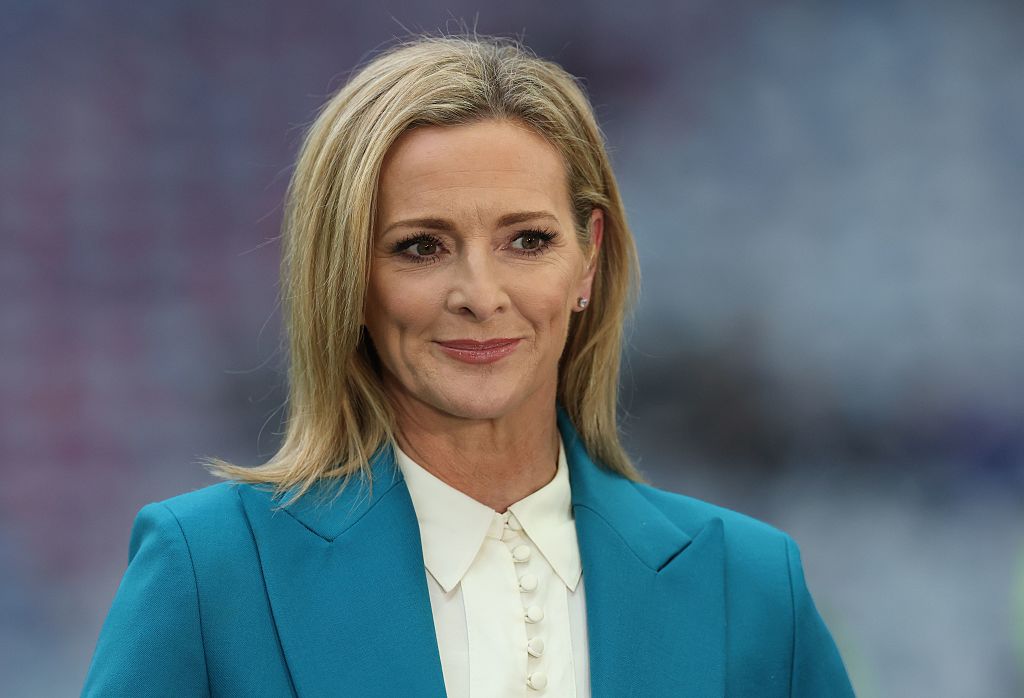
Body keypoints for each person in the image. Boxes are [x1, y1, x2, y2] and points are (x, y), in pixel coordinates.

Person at [82, 35, 854, 697]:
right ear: (346, 277)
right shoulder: (208, 570)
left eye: (528, 241)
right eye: (421, 246)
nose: (481, 296)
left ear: (589, 259)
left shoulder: (752, 586)